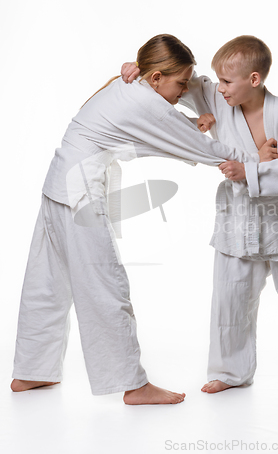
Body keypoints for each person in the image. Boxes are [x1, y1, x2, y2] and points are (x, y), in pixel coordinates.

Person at [121, 35, 278, 395]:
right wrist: (138, 71)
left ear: (253, 80)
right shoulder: (216, 96)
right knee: (230, 297)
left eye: (226, 81)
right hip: (236, 218)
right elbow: (174, 80)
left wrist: (249, 171)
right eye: (217, 80)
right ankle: (230, 371)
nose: (218, 88)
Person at [11, 34, 254, 405]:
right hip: (79, 193)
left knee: (47, 281)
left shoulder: (129, 87)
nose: (183, 90)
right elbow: (199, 147)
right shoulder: (145, 101)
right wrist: (255, 159)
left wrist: (191, 121)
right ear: (155, 78)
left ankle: (31, 372)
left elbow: (159, 125)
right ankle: (133, 384)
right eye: (180, 84)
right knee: (106, 285)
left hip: (58, 183)